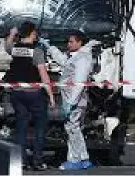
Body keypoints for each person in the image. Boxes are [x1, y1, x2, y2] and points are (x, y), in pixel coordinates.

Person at [39, 29, 94, 170]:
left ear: (80, 42)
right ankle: (83, 157)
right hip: (73, 99)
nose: (68, 44)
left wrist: (71, 102)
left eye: (71, 41)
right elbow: (63, 61)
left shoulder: (83, 59)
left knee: (72, 129)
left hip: (75, 100)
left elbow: (79, 82)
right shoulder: (77, 56)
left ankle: (74, 160)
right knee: (76, 128)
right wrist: (50, 47)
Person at [4, 21, 55, 171]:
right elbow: (43, 74)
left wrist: (12, 34)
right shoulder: (37, 51)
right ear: (32, 33)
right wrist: (50, 94)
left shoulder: (15, 48)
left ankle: (21, 161)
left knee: (21, 127)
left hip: (18, 93)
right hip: (34, 94)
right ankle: (37, 161)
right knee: (40, 127)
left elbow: (7, 46)